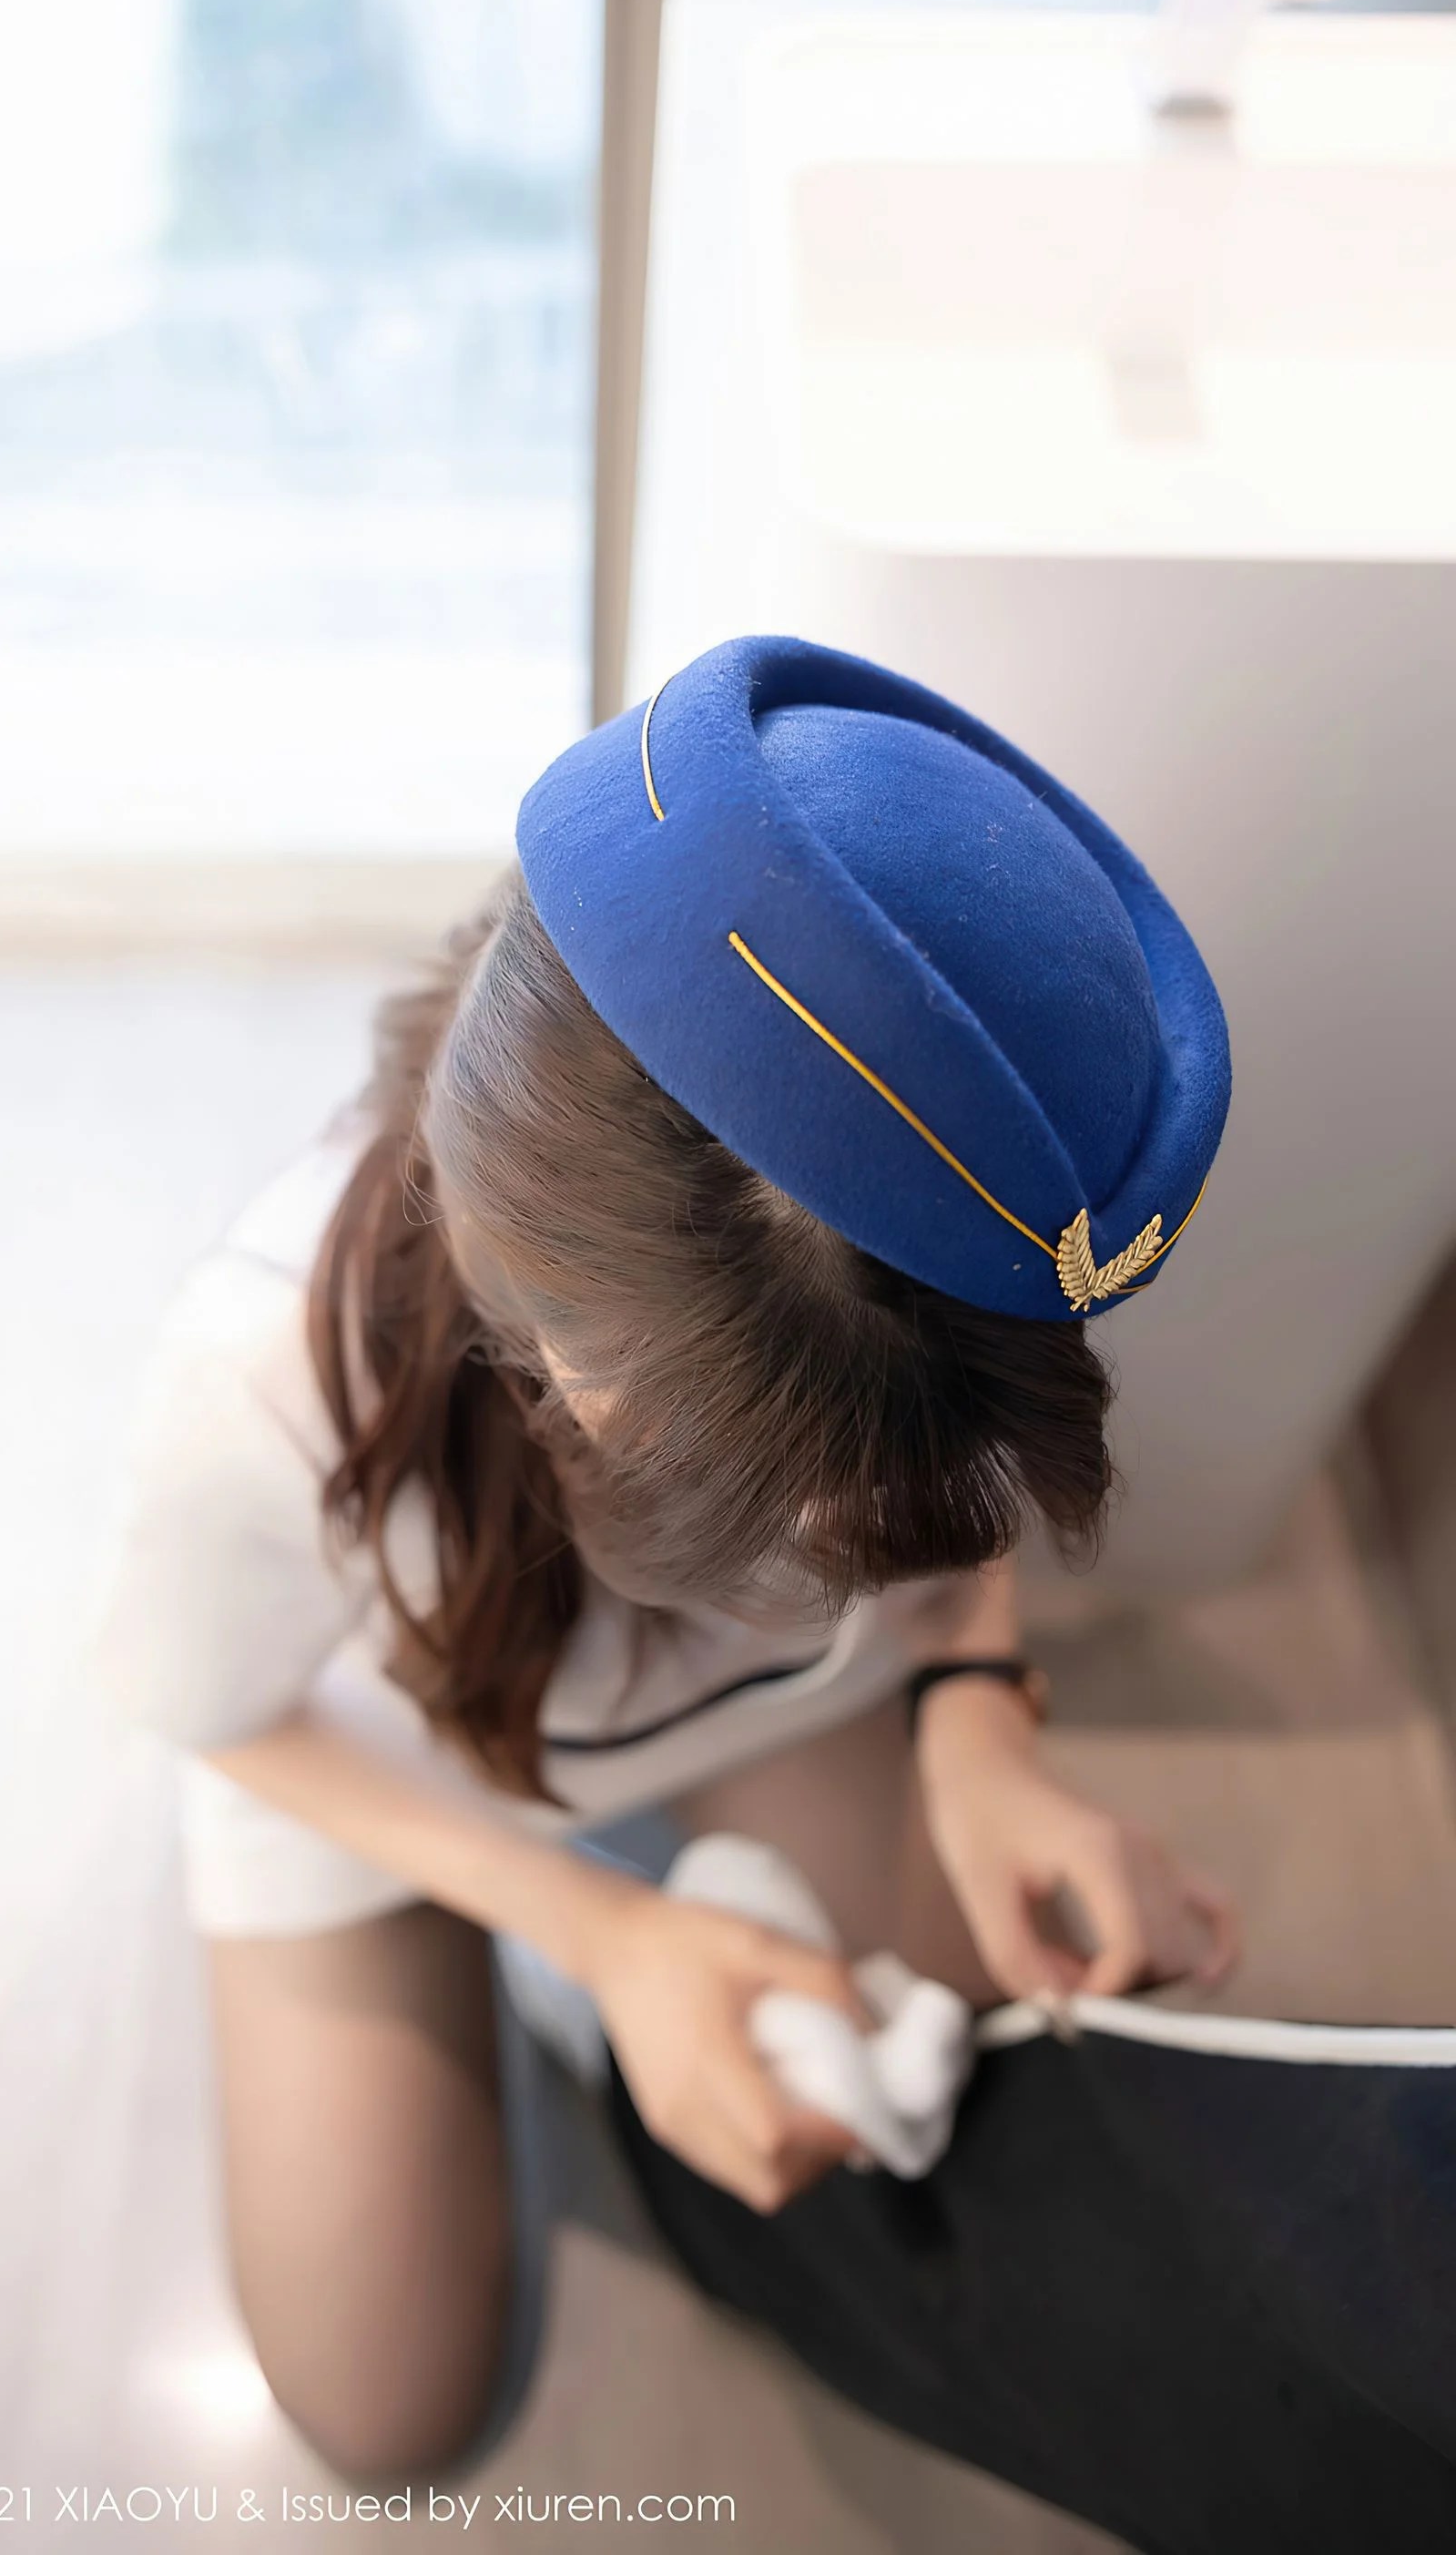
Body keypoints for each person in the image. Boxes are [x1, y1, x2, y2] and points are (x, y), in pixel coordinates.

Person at [92, 635, 1239, 2478]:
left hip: (749, 1710)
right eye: (773, 1500)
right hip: (384, 1741)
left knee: (940, 2077)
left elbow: (942, 1532)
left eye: (867, 1505)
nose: (836, 1552)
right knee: (379, 2403)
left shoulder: (961, 1233)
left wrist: (979, 1723)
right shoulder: (264, 1381)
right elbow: (219, 1713)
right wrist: (598, 1931)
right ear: (550, 1353)